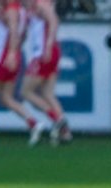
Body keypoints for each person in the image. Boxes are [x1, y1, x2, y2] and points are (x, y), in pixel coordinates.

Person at [0, 0, 46, 149]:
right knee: (6, 98)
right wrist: (15, 51)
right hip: (14, 55)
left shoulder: (11, 10)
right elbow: (21, 34)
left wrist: (11, 52)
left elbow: (12, 30)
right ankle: (34, 123)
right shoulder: (22, 12)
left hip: (1, 57)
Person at [19, 0, 71, 145]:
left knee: (26, 91)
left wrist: (48, 45)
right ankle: (65, 133)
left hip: (44, 53)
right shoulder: (29, 8)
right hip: (48, 52)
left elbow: (54, 21)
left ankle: (57, 119)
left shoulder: (41, 4)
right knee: (48, 93)